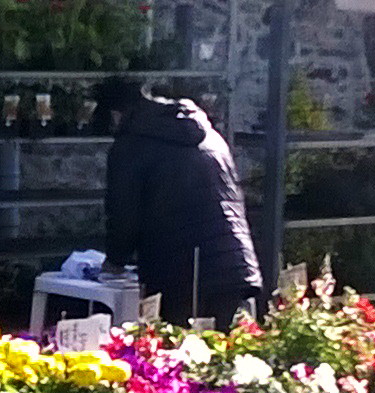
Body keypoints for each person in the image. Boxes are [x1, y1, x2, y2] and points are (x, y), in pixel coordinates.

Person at [96, 77, 263, 325]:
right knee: (222, 354)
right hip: (233, 262)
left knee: (174, 355)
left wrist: (115, 262)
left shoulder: (131, 146)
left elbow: (124, 215)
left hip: (178, 270)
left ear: (116, 115)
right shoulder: (210, 135)